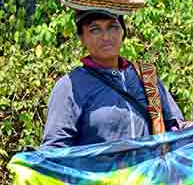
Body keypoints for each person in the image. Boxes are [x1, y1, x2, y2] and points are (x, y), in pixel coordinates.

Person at [42, 9, 183, 149]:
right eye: (95, 30)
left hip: (148, 171)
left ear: (123, 32)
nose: (106, 37)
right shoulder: (70, 86)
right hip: (99, 171)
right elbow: (55, 149)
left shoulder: (146, 76)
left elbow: (176, 127)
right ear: (82, 38)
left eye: (113, 27)